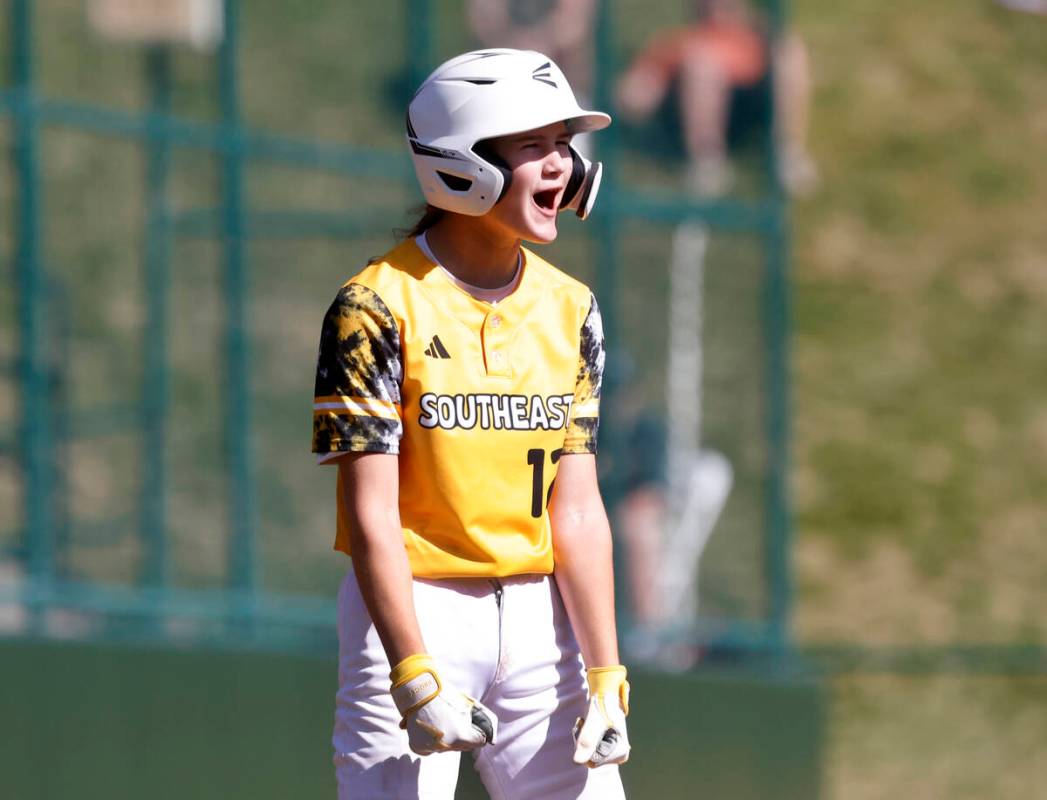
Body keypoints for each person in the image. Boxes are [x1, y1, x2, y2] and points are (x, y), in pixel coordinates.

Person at [312, 49, 630, 799]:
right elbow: (371, 517)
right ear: (462, 163)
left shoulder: (571, 307)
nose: (562, 165)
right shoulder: (375, 306)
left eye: (563, 144)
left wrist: (606, 673)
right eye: (532, 146)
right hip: (416, 605)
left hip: (540, 614)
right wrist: (412, 673)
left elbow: (576, 507)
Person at [616, 0, 817, 196]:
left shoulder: (756, 41)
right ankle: (707, 164)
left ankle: (785, 154)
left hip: (749, 107)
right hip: (695, 121)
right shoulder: (684, 43)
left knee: (788, 50)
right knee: (703, 65)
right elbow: (635, 95)